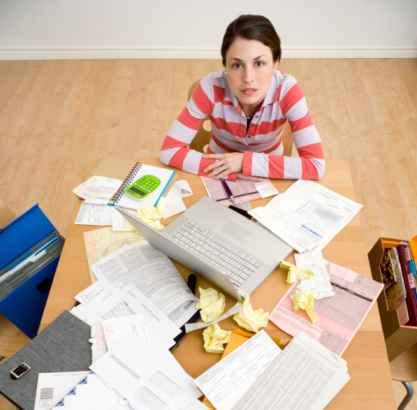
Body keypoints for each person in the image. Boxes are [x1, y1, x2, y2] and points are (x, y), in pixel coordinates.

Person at [160, 14, 325, 181]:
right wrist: (232, 172)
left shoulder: (288, 91)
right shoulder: (210, 88)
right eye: (237, 65)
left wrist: (245, 163)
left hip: (269, 176)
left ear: (276, 62)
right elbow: (169, 150)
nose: (248, 78)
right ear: (225, 65)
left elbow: (315, 166)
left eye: (259, 63)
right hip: (217, 175)